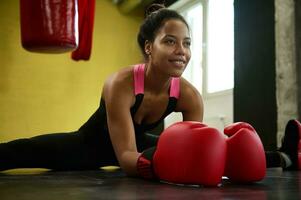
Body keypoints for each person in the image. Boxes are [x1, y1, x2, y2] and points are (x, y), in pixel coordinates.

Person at [0, 4, 300, 178]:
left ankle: (286, 157)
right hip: (89, 145)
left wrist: (199, 157)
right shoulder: (120, 84)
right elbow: (128, 157)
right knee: (23, 150)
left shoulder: (188, 95)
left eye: (186, 43)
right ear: (149, 47)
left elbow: (194, 148)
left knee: (220, 154)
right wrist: (166, 160)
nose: (181, 51)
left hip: (140, 147)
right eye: (169, 41)